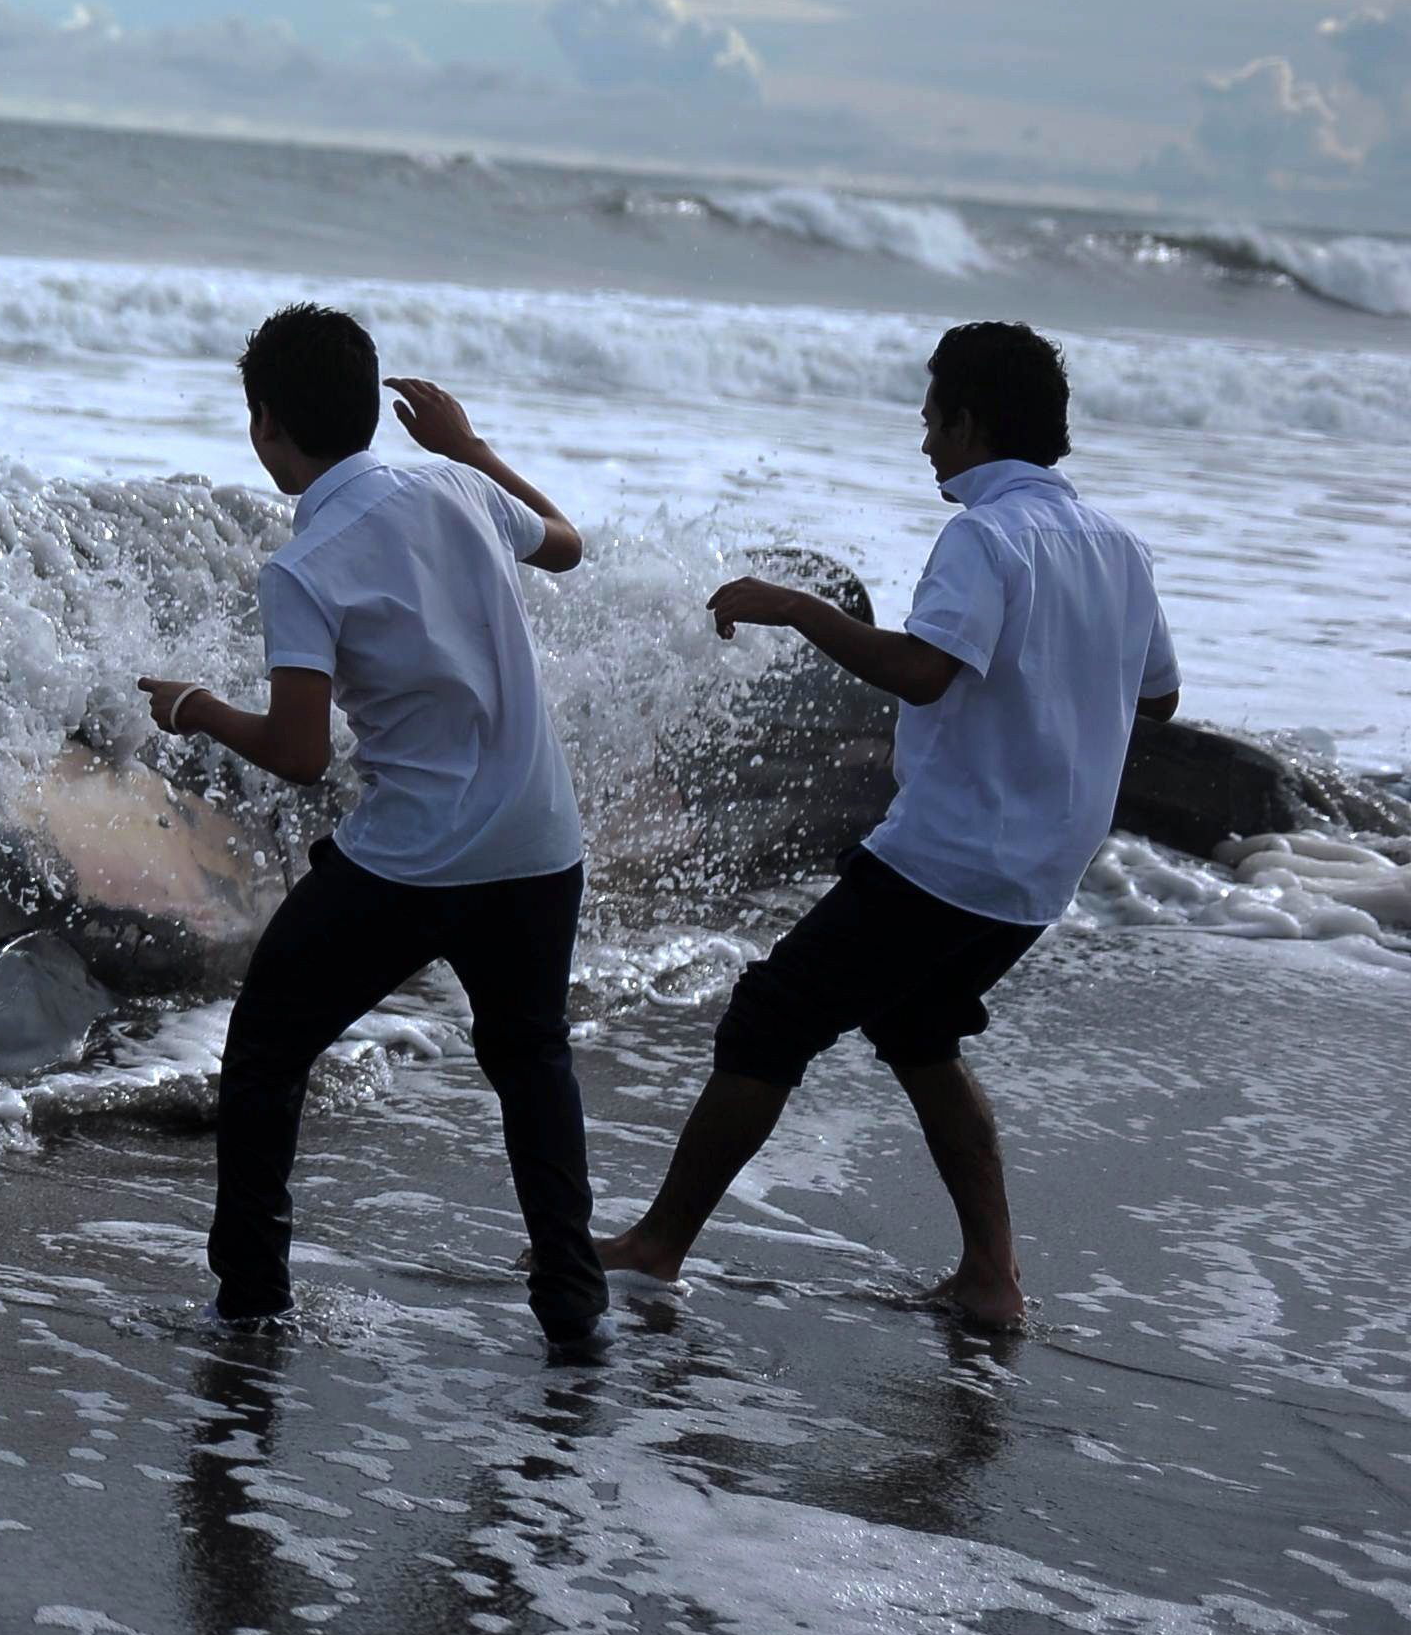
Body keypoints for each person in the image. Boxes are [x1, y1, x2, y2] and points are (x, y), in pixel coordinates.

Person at [597, 321, 1175, 1332]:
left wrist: (795, 608)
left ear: (969, 421)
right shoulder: (1114, 546)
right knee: (916, 1031)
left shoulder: (984, 537)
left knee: (767, 1021)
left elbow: (919, 669)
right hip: (1041, 867)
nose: (922, 446)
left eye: (929, 421)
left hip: (949, 854)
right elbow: (1156, 700)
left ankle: (655, 1245)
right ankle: (989, 1280)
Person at [137, 303, 608, 1360]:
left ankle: (251, 1300)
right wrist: (470, 446)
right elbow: (568, 548)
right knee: (530, 1061)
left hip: (413, 859)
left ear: (265, 428)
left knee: (265, 1049)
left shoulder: (300, 570)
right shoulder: (455, 486)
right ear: (368, 408)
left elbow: (300, 755)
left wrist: (195, 708)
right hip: (539, 840)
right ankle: (572, 1308)